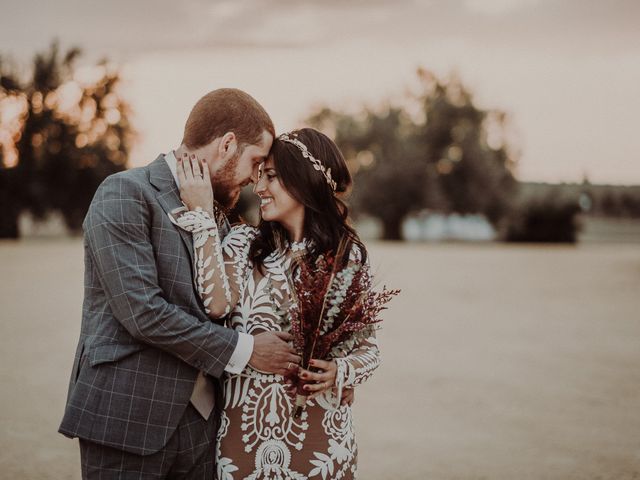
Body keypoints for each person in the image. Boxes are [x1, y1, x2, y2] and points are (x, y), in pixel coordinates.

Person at [58, 88, 301, 479]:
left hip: (204, 427)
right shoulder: (124, 193)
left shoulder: (221, 214)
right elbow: (142, 312)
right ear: (226, 145)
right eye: (255, 162)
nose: (255, 178)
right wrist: (246, 350)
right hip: (129, 417)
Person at [171, 127, 381, 479]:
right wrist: (204, 218)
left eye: (270, 177)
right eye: (259, 177)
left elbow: (369, 350)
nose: (259, 188)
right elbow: (215, 305)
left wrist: (340, 373)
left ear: (303, 181)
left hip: (322, 440)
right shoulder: (242, 243)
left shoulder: (346, 257)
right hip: (244, 439)